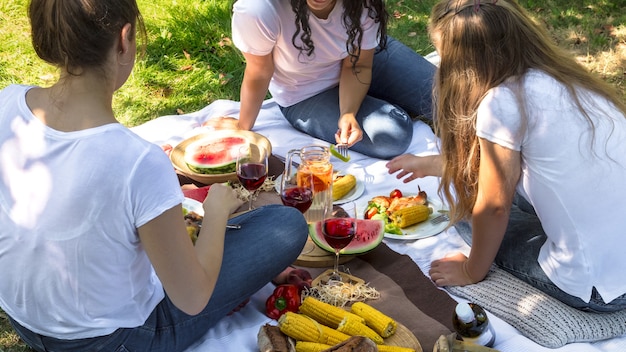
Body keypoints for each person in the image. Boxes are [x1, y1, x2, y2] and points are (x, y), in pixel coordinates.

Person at [0, 1, 308, 351]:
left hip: (23, 320)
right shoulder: (138, 161)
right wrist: (218, 212)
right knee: (285, 225)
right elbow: (192, 298)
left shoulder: (6, 102)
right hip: (114, 342)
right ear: (124, 38)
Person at [386, 0, 626, 313]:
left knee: (466, 216)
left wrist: (472, 270)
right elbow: (504, 169)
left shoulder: (501, 102)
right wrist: (432, 165)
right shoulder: (567, 78)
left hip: (601, 288)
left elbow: (494, 206)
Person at [231, 0, 436, 160]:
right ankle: (384, 101)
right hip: (306, 92)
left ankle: (379, 98)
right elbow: (259, 72)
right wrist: (242, 126)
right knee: (392, 135)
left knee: (451, 95)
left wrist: (348, 112)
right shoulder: (258, 9)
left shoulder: (364, 4)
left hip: (362, 59)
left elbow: (358, 65)